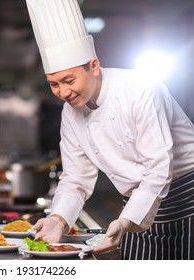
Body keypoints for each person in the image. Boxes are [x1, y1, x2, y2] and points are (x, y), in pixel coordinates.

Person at [26, 0, 194, 260]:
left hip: (186, 198)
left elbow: (159, 167)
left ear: (93, 65)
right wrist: (57, 219)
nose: (63, 92)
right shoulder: (70, 112)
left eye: (69, 80)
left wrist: (127, 220)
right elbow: (76, 177)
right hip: (134, 205)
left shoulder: (140, 89)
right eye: (53, 84)